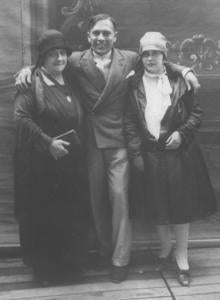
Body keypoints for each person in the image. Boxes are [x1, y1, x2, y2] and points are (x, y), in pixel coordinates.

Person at [15, 14, 200, 283]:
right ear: (88, 36)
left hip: (119, 141)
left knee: (120, 199)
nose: (101, 38)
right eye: (96, 34)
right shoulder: (76, 59)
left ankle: (120, 259)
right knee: (95, 200)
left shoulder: (131, 58)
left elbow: (159, 60)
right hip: (89, 141)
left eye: (106, 34)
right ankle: (104, 250)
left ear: (115, 36)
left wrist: (184, 70)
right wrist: (27, 70)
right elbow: (48, 64)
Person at [125, 32, 217, 286]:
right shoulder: (133, 84)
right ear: (141, 57)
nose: (150, 58)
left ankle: (182, 258)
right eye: (146, 54)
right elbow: (130, 122)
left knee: (180, 207)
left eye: (155, 53)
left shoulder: (179, 81)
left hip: (179, 156)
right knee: (157, 205)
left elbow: (196, 114)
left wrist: (181, 134)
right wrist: (135, 153)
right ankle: (165, 249)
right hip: (150, 154)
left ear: (164, 56)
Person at [14, 30, 89, 286]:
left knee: (68, 214)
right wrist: (48, 143)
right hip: (41, 163)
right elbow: (21, 118)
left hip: (69, 161)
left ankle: (68, 266)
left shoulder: (71, 79)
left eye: (62, 53)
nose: (59, 58)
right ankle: (45, 272)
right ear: (42, 58)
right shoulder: (30, 83)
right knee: (43, 216)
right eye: (52, 54)